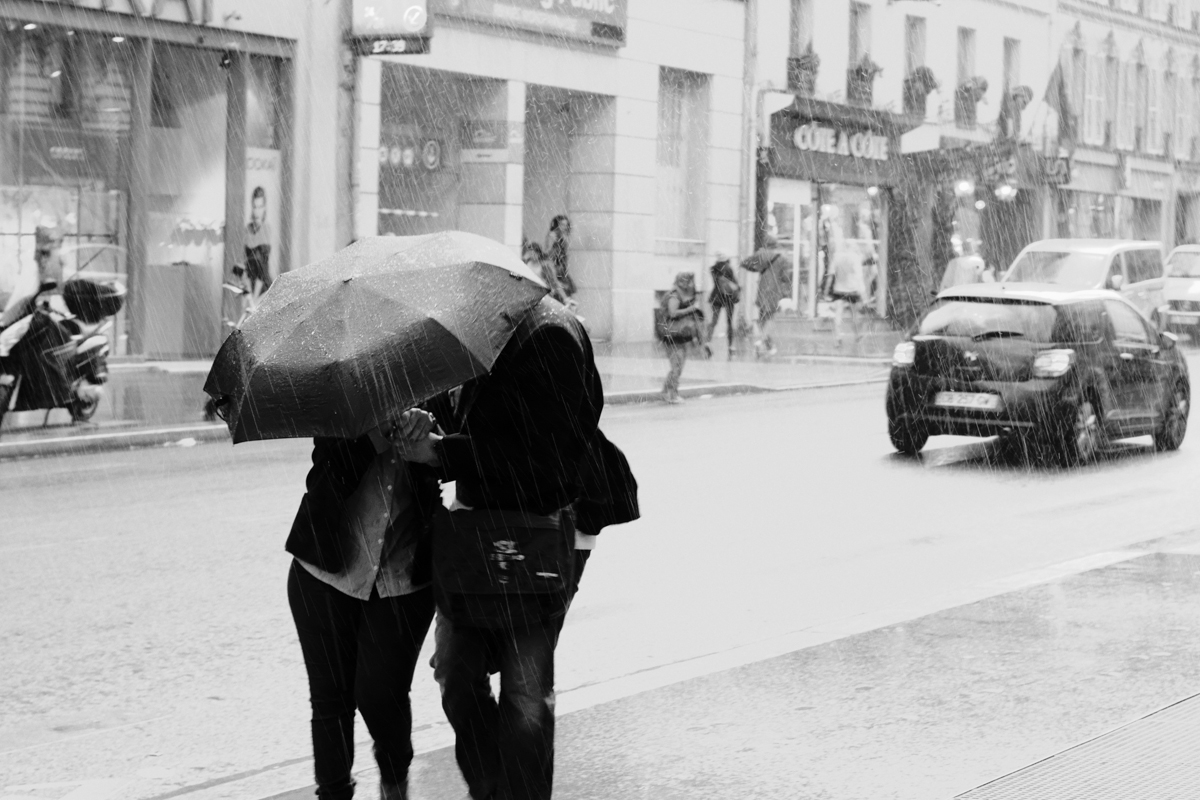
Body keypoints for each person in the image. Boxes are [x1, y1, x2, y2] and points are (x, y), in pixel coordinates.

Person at [397, 295, 604, 800]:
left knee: (526, 695)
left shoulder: (548, 334)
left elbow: (546, 453)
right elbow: (480, 422)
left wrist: (444, 451)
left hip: (528, 539)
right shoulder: (481, 338)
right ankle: (496, 789)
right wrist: (431, 423)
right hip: (474, 540)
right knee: (456, 675)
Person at [286, 410, 443, 800]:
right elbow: (326, 478)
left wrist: (431, 440)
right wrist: (373, 436)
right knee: (331, 700)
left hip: (402, 577)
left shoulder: (437, 383)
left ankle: (395, 784)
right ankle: (334, 793)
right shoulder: (340, 398)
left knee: (382, 695)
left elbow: (456, 463)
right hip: (326, 574)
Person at [742, 236, 792, 358]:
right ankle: (762, 341)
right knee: (770, 317)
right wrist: (786, 293)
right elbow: (786, 277)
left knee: (762, 317)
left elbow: (745, 263)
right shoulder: (782, 258)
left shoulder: (761, 254)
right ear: (776, 244)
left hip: (762, 288)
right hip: (774, 290)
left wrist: (757, 269)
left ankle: (767, 344)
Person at [829, 225, 867, 346]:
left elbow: (831, 274)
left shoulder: (837, 257)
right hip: (852, 289)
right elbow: (859, 277)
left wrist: (826, 290)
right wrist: (863, 292)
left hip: (838, 289)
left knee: (838, 315)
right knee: (854, 314)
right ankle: (857, 335)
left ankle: (837, 337)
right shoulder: (855, 258)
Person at [706, 253, 740, 359]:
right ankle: (731, 346)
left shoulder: (713, 269)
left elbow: (716, 282)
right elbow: (734, 283)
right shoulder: (728, 268)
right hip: (728, 297)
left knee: (714, 320)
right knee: (729, 322)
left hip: (716, 296)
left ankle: (707, 341)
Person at [245, 186, 273, 295]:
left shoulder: (267, 229)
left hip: (262, 287)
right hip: (248, 285)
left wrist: (255, 297)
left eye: (260, 207)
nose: (257, 211)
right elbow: (242, 263)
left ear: (264, 208)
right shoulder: (247, 229)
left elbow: (262, 268)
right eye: (255, 207)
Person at [545, 215, 575, 297]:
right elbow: (548, 251)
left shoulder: (564, 236)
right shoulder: (553, 235)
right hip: (555, 266)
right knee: (559, 288)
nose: (564, 227)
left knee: (565, 289)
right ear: (557, 225)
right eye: (562, 225)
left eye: (566, 225)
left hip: (562, 267)